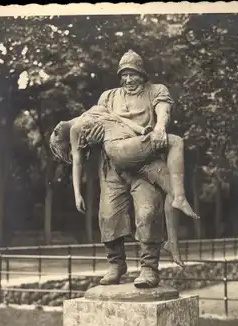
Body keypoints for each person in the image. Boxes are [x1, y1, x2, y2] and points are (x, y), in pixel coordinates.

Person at [51, 50, 197, 288]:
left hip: (145, 162)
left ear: (142, 74)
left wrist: (159, 127)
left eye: (133, 74)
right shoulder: (108, 97)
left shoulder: (156, 90)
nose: (129, 80)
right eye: (124, 75)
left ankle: (149, 268)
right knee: (109, 216)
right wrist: (95, 137)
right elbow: (96, 126)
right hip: (113, 167)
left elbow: (163, 110)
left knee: (148, 213)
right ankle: (115, 264)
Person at [50, 104, 199, 265]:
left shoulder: (96, 108)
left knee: (174, 190)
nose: (56, 128)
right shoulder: (76, 129)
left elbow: (120, 120)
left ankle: (173, 242)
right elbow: (77, 164)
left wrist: (142, 131)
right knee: (176, 141)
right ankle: (119, 263)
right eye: (56, 135)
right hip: (121, 150)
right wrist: (77, 194)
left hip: (136, 152)